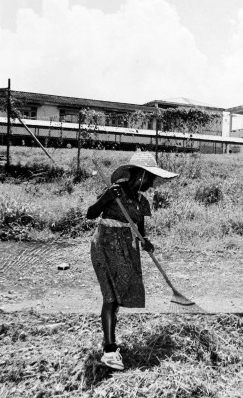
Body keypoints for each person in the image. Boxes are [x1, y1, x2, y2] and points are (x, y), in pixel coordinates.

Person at [87, 152, 178, 370]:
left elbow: (140, 231)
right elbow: (91, 214)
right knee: (110, 296)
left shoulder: (142, 202)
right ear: (139, 175)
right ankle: (109, 351)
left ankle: (110, 340)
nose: (152, 182)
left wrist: (146, 242)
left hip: (126, 249)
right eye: (150, 178)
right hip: (106, 246)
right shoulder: (115, 192)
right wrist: (105, 198)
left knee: (118, 295)